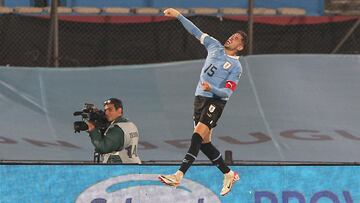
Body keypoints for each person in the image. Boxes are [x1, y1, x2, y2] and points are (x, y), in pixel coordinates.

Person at [158, 8, 247, 196]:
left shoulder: (236, 66)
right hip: (200, 98)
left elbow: (226, 93)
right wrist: (179, 16)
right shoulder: (214, 45)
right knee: (204, 143)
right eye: (232, 35)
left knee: (197, 135)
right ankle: (229, 173)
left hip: (216, 101)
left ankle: (178, 175)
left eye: (237, 39)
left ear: (240, 47)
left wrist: (212, 89)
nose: (231, 38)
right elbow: (195, 31)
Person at [86, 98, 141, 164]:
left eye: (110, 110)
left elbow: (103, 147)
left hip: (121, 169)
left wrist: (92, 130)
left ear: (119, 111)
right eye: (105, 110)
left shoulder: (117, 129)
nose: (106, 113)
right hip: (134, 165)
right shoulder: (130, 124)